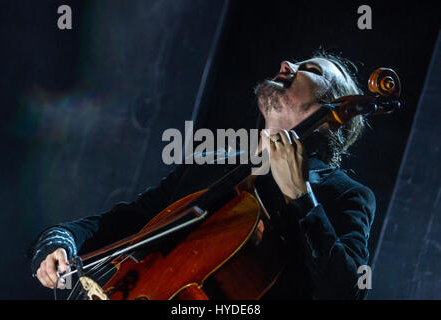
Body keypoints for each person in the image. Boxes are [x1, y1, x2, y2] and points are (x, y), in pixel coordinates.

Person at [27, 51, 376, 299]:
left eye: (309, 68)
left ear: (333, 115)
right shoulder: (210, 164)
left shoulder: (344, 195)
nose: (287, 64)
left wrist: (301, 197)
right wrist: (58, 242)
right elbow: (124, 221)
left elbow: (347, 290)